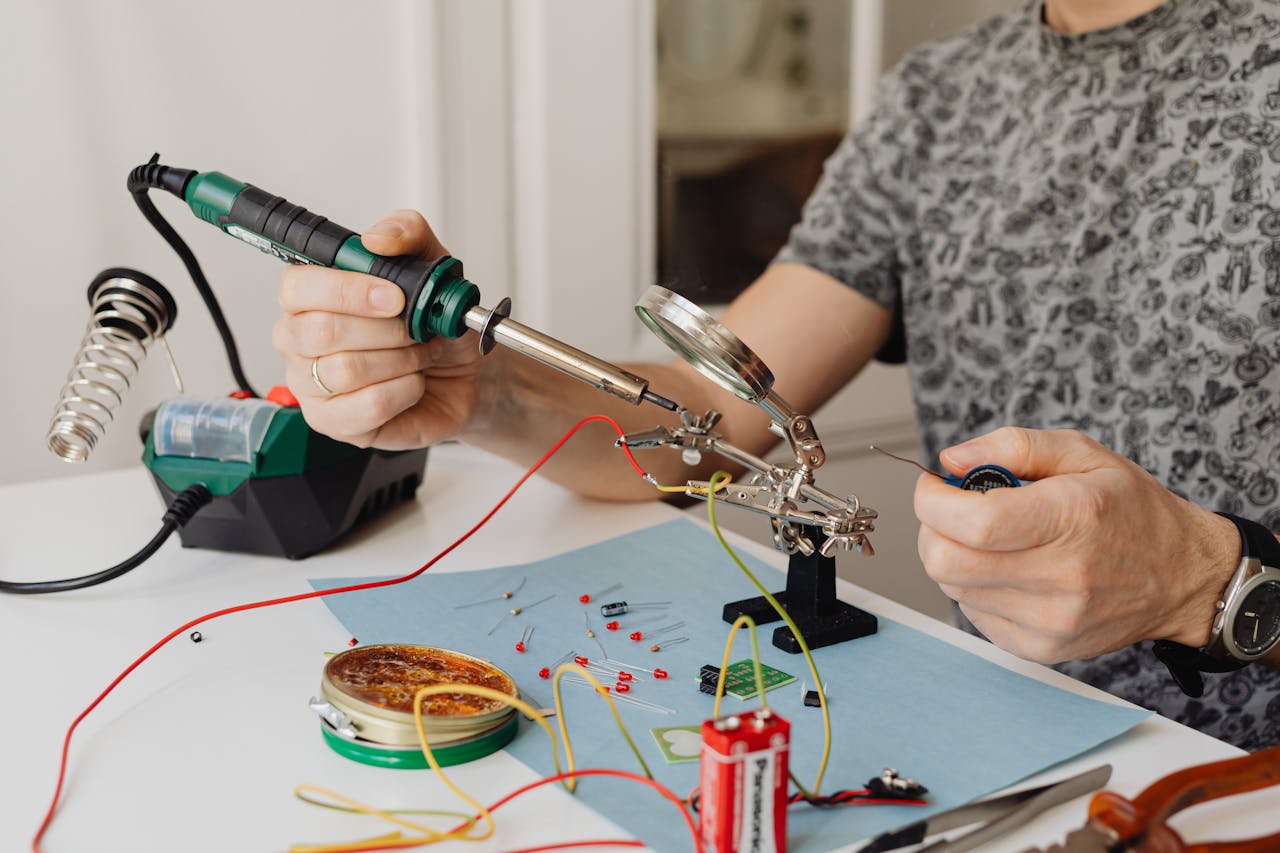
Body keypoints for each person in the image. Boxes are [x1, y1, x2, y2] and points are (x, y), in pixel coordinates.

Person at [273, 0, 1280, 750]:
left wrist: (1206, 581)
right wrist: (477, 389)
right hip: (1005, 744)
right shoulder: (940, 100)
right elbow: (708, 414)